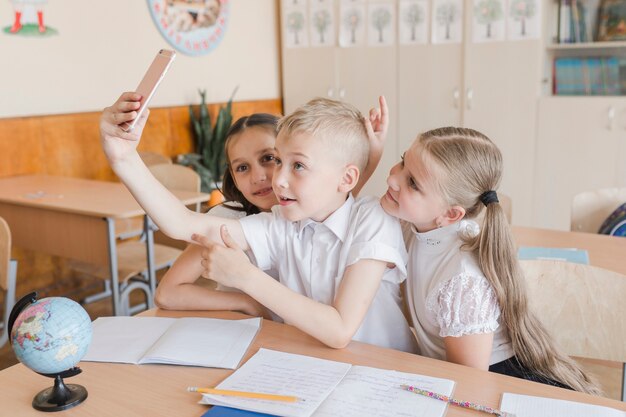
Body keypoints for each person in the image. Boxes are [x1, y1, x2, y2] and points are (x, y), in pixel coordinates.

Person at [100, 94, 416, 352]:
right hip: (318, 364)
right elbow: (183, 224)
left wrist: (246, 277)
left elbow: (339, 331)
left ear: (346, 178)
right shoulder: (281, 222)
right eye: (280, 161)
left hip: (384, 372)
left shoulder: (374, 218)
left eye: (298, 166)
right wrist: (124, 159)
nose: (277, 179)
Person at [379, 126, 601, 394]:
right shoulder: (414, 225)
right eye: (403, 161)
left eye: (412, 182)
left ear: (450, 214)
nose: (393, 178)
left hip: (500, 387)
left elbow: (469, 385)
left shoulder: (463, 280)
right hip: (461, 378)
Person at [154, 113, 281, 319]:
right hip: (244, 333)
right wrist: (247, 303)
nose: (257, 177)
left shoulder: (314, 217)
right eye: (242, 168)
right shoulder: (227, 218)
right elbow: (168, 293)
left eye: (268, 158)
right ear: (233, 178)